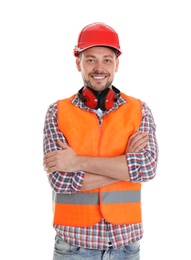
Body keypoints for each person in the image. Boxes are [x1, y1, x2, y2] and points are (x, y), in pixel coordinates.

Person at [43, 22, 158, 260]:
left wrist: (76, 162)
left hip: (126, 244)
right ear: (78, 63)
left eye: (107, 59)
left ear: (117, 64)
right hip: (74, 244)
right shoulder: (57, 112)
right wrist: (126, 166)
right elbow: (61, 181)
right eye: (91, 59)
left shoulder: (139, 110)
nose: (99, 67)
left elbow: (146, 168)